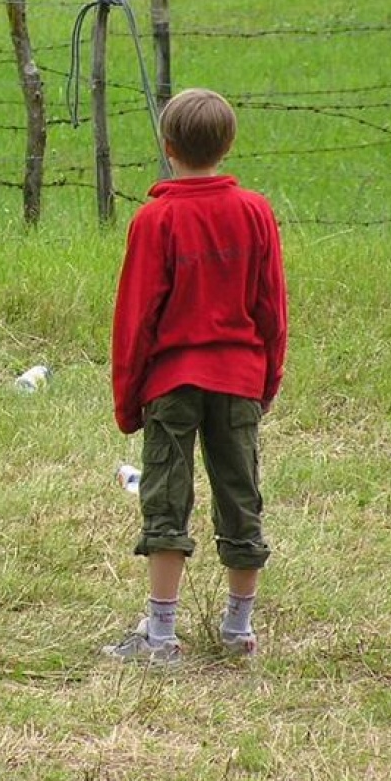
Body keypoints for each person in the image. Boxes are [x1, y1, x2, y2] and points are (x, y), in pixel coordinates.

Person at [104, 88, 287, 664]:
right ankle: (239, 629)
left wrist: (128, 400)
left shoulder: (155, 220)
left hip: (172, 385)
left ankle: (160, 636)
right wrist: (267, 382)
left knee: (166, 500)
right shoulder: (255, 212)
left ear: (167, 146)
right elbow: (271, 308)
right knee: (240, 493)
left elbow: (136, 318)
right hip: (238, 380)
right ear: (228, 145)